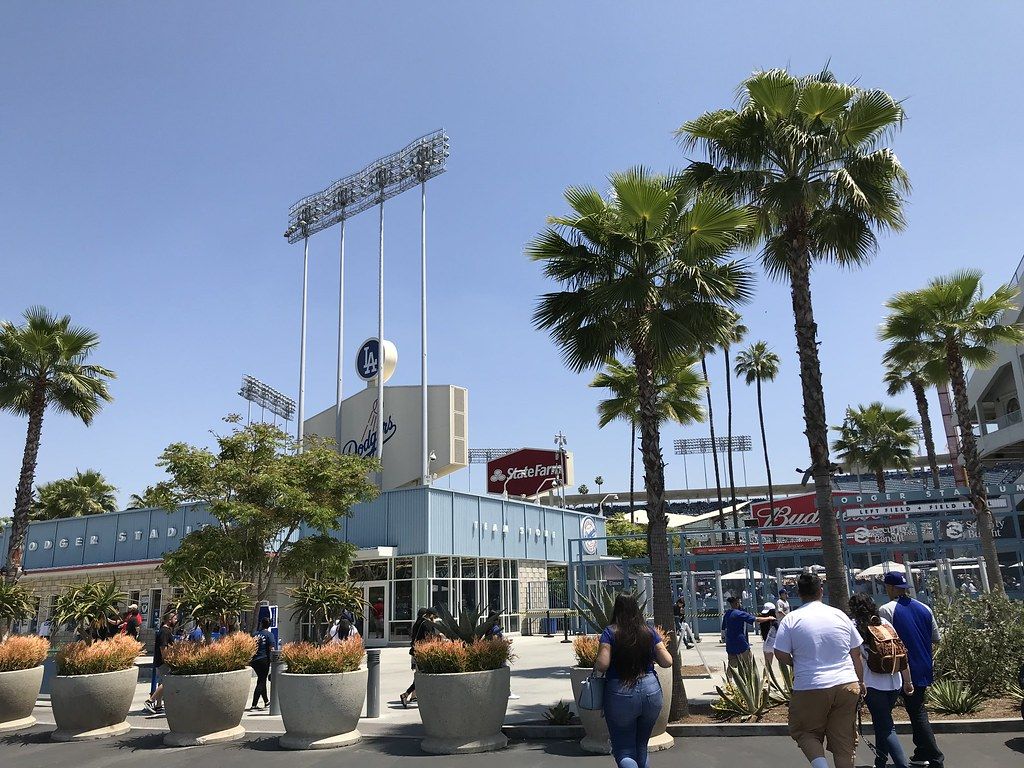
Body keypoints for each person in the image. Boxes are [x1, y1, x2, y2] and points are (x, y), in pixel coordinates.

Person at [773, 573, 864, 768]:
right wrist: (861, 682)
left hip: (810, 685)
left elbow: (779, 653)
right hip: (846, 683)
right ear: (821, 590)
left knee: (805, 732)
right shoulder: (839, 614)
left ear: (798, 593)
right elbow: (856, 653)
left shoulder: (791, 619)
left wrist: (796, 663)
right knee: (844, 742)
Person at [594, 594, 673, 768]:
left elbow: (602, 665)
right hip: (651, 690)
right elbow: (667, 661)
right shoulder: (649, 632)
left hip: (620, 692)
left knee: (624, 751)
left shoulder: (610, 632)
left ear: (617, 608)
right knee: (641, 748)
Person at [878, 571, 943, 768]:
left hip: (901, 668)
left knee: (913, 712)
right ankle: (921, 752)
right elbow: (936, 638)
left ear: (889, 588)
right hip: (923, 665)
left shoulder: (886, 610)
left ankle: (935, 757)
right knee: (916, 709)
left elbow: (883, 642)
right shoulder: (924, 608)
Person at [849, 593, 914, 768]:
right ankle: (880, 761)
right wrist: (908, 681)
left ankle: (902, 765)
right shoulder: (884, 623)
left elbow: (856, 658)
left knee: (886, 726)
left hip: (872, 683)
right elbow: (901, 652)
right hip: (894, 681)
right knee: (882, 722)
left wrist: (860, 682)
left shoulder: (854, 627)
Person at [722, 594, 773, 669]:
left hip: (730, 641)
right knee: (749, 663)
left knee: (731, 664)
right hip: (740, 641)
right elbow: (756, 619)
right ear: (737, 603)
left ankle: (729, 680)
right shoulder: (739, 613)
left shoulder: (727, 614)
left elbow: (723, 627)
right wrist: (768, 618)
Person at [400, 608, 437, 708]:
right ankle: (406, 694)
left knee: (420, 675)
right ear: (431, 615)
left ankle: (411, 695)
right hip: (422, 653)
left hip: (416, 652)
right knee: (423, 676)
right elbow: (430, 639)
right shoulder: (426, 624)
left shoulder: (418, 623)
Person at [145, 611, 178, 714]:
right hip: (163, 661)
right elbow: (163, 648)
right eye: (175, 619)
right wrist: (168, 660)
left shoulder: (165, 631)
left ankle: (158, 705)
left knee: (161, 682)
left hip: (161, 661)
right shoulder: (165, 632)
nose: (176, 621)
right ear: (169, 620)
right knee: (166, 682)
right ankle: (150, 701)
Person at [249, 617, 275, 711]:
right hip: (264, 659)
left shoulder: (255, 634)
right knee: (261, 681)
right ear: (269, 625)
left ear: (261, 624)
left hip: (254, 660)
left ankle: (266, 701)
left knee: (261, 679)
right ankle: (254, 704)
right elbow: (271, 648)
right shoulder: (269, 635)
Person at [759, 602, 779, 671]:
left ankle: (765, 680)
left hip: (766, 645)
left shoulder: (763, 621)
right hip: (775, 645)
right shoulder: (775, 622)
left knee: (767, 666)